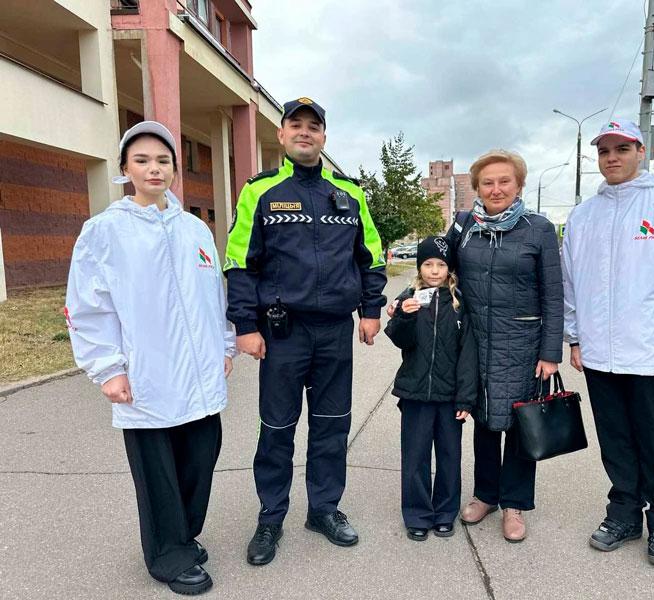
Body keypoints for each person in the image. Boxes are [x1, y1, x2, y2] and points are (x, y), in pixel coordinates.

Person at [65, 121, 235, 595]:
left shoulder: (194, 229)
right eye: (141, 160)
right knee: (158, 473)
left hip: (199, 375)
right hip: (147, 375)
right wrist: (108, 369)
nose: (153, 169)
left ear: (175, 169)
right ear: (125, 168)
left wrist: (223, 345)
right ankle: (168, 555)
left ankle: (183, 535)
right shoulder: (105, 231)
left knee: (200, 459)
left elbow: (213, 296)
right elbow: (88, 306)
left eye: (163, 160)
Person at [224, 97, 387, 565]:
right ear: (281, 134)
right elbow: (239, 262)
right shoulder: (259, 191)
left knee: (332, 426)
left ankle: (324, 510)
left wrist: (371, 309)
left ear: (323, 137)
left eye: (313, 126)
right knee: (277, 429)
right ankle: (271, 517)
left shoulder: (349, 194)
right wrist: (245, 325)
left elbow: (372, 256)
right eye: (295, 124)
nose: (304, 132)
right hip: (283, 333)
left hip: (334, 330)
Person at [562, 119, 654, 567]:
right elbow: (571, 283)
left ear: (640, 152)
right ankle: (624, 512)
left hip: (650, 353)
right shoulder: (583, 216)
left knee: (653, 439)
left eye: (621, 149)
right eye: (604, 151)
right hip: (599, 354)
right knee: (615, 439)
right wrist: (575, 336)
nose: (612, 158)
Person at [447, 150, 564, 542]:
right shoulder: (465, 226)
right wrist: (408, 301)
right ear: (477, 188)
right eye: (487, 183)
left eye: (504, 181)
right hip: (476, 340)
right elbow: (438, 269)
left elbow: (553, 295)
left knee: (520, 424)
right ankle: (486, 494)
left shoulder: (539, 229)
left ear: (519, 185)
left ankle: (515, 503)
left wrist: (550, 352)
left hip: (523, 344)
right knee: (482, 419)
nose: (496, 189)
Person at [385, 236, 477, 541]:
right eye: (427, 264)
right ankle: (417, 514)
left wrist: (466, 397)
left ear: (449, 268)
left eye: (440, 264)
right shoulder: (410, 298)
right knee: (415, 457)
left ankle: (444, 513)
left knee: (449, 457)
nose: (434, 270)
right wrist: (404, 315)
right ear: (419, 267)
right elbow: (400, 340)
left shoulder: (460, 303)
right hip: (415, 393)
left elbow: (468, 353)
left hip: (450, 396)